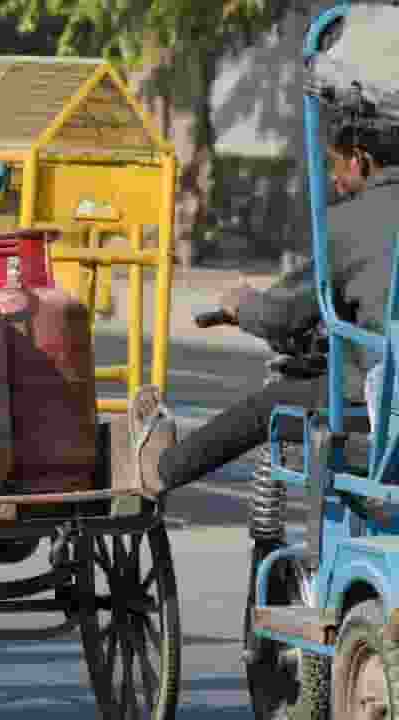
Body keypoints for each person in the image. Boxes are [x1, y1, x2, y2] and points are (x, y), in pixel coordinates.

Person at [157, 125, 399, 495]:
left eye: (335, 165)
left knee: (265, 407)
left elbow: (282, 315)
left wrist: (242, 304)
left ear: (359, 161)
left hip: (382, 391)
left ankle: (162, 471)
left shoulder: (349, 221)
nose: (333, 179)